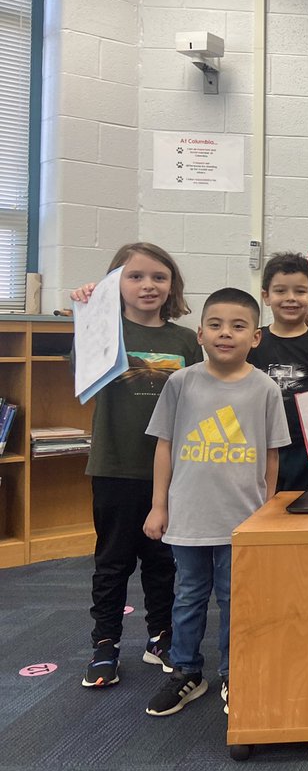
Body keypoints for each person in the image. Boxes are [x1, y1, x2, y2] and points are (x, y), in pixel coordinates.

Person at [143, 288, 290, 717]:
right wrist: (159, 506)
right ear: (201, 334)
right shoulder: (180, 383)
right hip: (189, 515)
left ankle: (234, 671)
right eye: (216, 325)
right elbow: (165, 447)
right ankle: (187, 671)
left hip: (241, 519)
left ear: (255, 337)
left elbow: (272, 455)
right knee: (188, 595)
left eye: (239, 326)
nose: (226, 333)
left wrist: (266, 510)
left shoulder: (264, 388)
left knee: (234, 597)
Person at [70, 243, 203, 689]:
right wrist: (92, 311)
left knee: (164, 561)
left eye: (159, 277)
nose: (148, 285)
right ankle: (104, 643)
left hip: (172, 471)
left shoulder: (185, 340)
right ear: (115, 284)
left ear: (172, 286)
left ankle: (159, 636)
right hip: (115, 467)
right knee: (113, 562)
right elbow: (79, 371)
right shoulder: (104, 328)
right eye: (135, 276)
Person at [248, 252, 308, 491]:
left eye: (299, 291)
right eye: (280, 291)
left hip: (305, 451)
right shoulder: (252, 341)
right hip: (258, 446)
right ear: (266, 296)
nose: (290, 298)